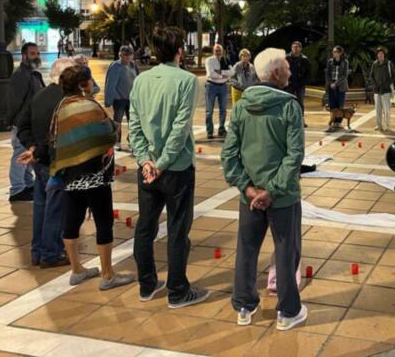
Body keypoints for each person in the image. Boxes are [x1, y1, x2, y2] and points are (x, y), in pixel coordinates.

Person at [221, 48, 308, 331]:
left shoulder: (242, 105)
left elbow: (229, 154)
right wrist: (271, 191)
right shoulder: (289, 106)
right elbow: (294, 156)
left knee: (246, 249)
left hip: (250, 197)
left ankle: (244, 305)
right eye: (286, 66)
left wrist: (247, 188)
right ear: (275, 73)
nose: (290, 71)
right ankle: (288, 311)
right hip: (282, 197)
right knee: (286, 251)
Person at [129, 27, 208, 308]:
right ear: (179, 51)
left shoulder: (141, 80)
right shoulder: (187, 80)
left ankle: (146, 284)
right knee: (177, 229)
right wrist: (161, 164)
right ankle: (177, 291)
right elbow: (180, 128)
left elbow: (134, 125)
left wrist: (145, 161)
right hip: (176, 167)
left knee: (144, 227)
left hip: (148, 167)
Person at [50, 65, 134, 291]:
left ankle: (77, 270)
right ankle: (107, 274)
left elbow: (57, 138)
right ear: (81, 84)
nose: (91, 84)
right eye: (88, 80)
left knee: (72, 221)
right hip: (95, 176)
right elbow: (107, 134)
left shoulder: (61, 107)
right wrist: (114, 127)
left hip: (70, 175)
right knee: (103, 222)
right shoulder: (89, 105)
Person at [16, 57, 75, 268]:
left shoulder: (39, 96)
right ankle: (51, 254)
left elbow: (22, 127)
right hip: (54, 163)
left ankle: (37, 252)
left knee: (40, 208)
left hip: (39, 162)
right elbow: (56, 137)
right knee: (55, 210)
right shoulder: (65, 100)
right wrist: (38, 151)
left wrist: (31, 148)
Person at [7, 42, 44, 202]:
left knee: (28, 153)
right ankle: (16, 190)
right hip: (21, 124)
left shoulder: (33, 74)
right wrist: (11, 121)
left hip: (30, 123)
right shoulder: (20, 75)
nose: (36, 56)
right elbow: (14, 101)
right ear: (24, 56)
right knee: (19, 154)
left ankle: (27, 184)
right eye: (32, 53)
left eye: (37, 53)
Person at [104, 46, 139, 150]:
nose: (127, 57)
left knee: (133, 121)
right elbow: (110, 83)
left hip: (132, 99)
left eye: (130, 55)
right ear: (120, 55)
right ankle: (117, 141)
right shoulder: (115, 66)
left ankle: (132, 142)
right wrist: (109, 100)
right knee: (117, 121)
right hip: (119, 99)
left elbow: (138, 81)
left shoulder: (133, 65)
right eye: (125, 55)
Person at [205, 44, 232, 139]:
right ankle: (210, 131)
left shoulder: (226, 60)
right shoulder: (209, 60)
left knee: (223, 110)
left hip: (223, 87)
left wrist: (220, 72)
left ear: (222, 51)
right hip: (211, 86)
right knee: (209, 110)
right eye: (216, 50)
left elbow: (232, 72)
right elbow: (210, 73)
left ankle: (221, 130)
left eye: (219, 50)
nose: (218, 52)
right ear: (213, 51)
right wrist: (223, 76)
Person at [285, 41, 311, 128]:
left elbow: (308, 73)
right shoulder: (286, 58)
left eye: (297, 47)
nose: (295, 49)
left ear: (300, 48)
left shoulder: (304, 59)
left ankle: (301, 120)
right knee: (288, 102)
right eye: (293, 47)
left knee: (300, 102)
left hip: (300, 85)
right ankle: (288, 120)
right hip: (289, 84)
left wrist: (303, 82)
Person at [324, 46, 349, 131]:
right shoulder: (330, 62)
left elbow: (345, 75)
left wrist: (336, 83)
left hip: (341, 86)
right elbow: (327, 74)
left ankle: (338, 122)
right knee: (332, 105)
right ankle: (332, 122)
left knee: (340, 105)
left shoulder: (345, 62)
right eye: (333, 52)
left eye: (336, 52)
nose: (334, 53)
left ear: (340, 53)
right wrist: (331, 83)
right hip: (331, 86)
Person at [370, 48, 395, 132]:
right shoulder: (374, 64)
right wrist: (374, 84)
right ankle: (379, 125)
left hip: (386, 90)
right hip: (377, 90)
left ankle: (387, 125)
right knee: (378, 109)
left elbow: (393, 76)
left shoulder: (388, 63)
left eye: (382, 53)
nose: (380, 55)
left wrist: (387, 84)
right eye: (379, 53)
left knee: (386, 109)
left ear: (384, 55)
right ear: (377, 55)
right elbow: (371, 76)